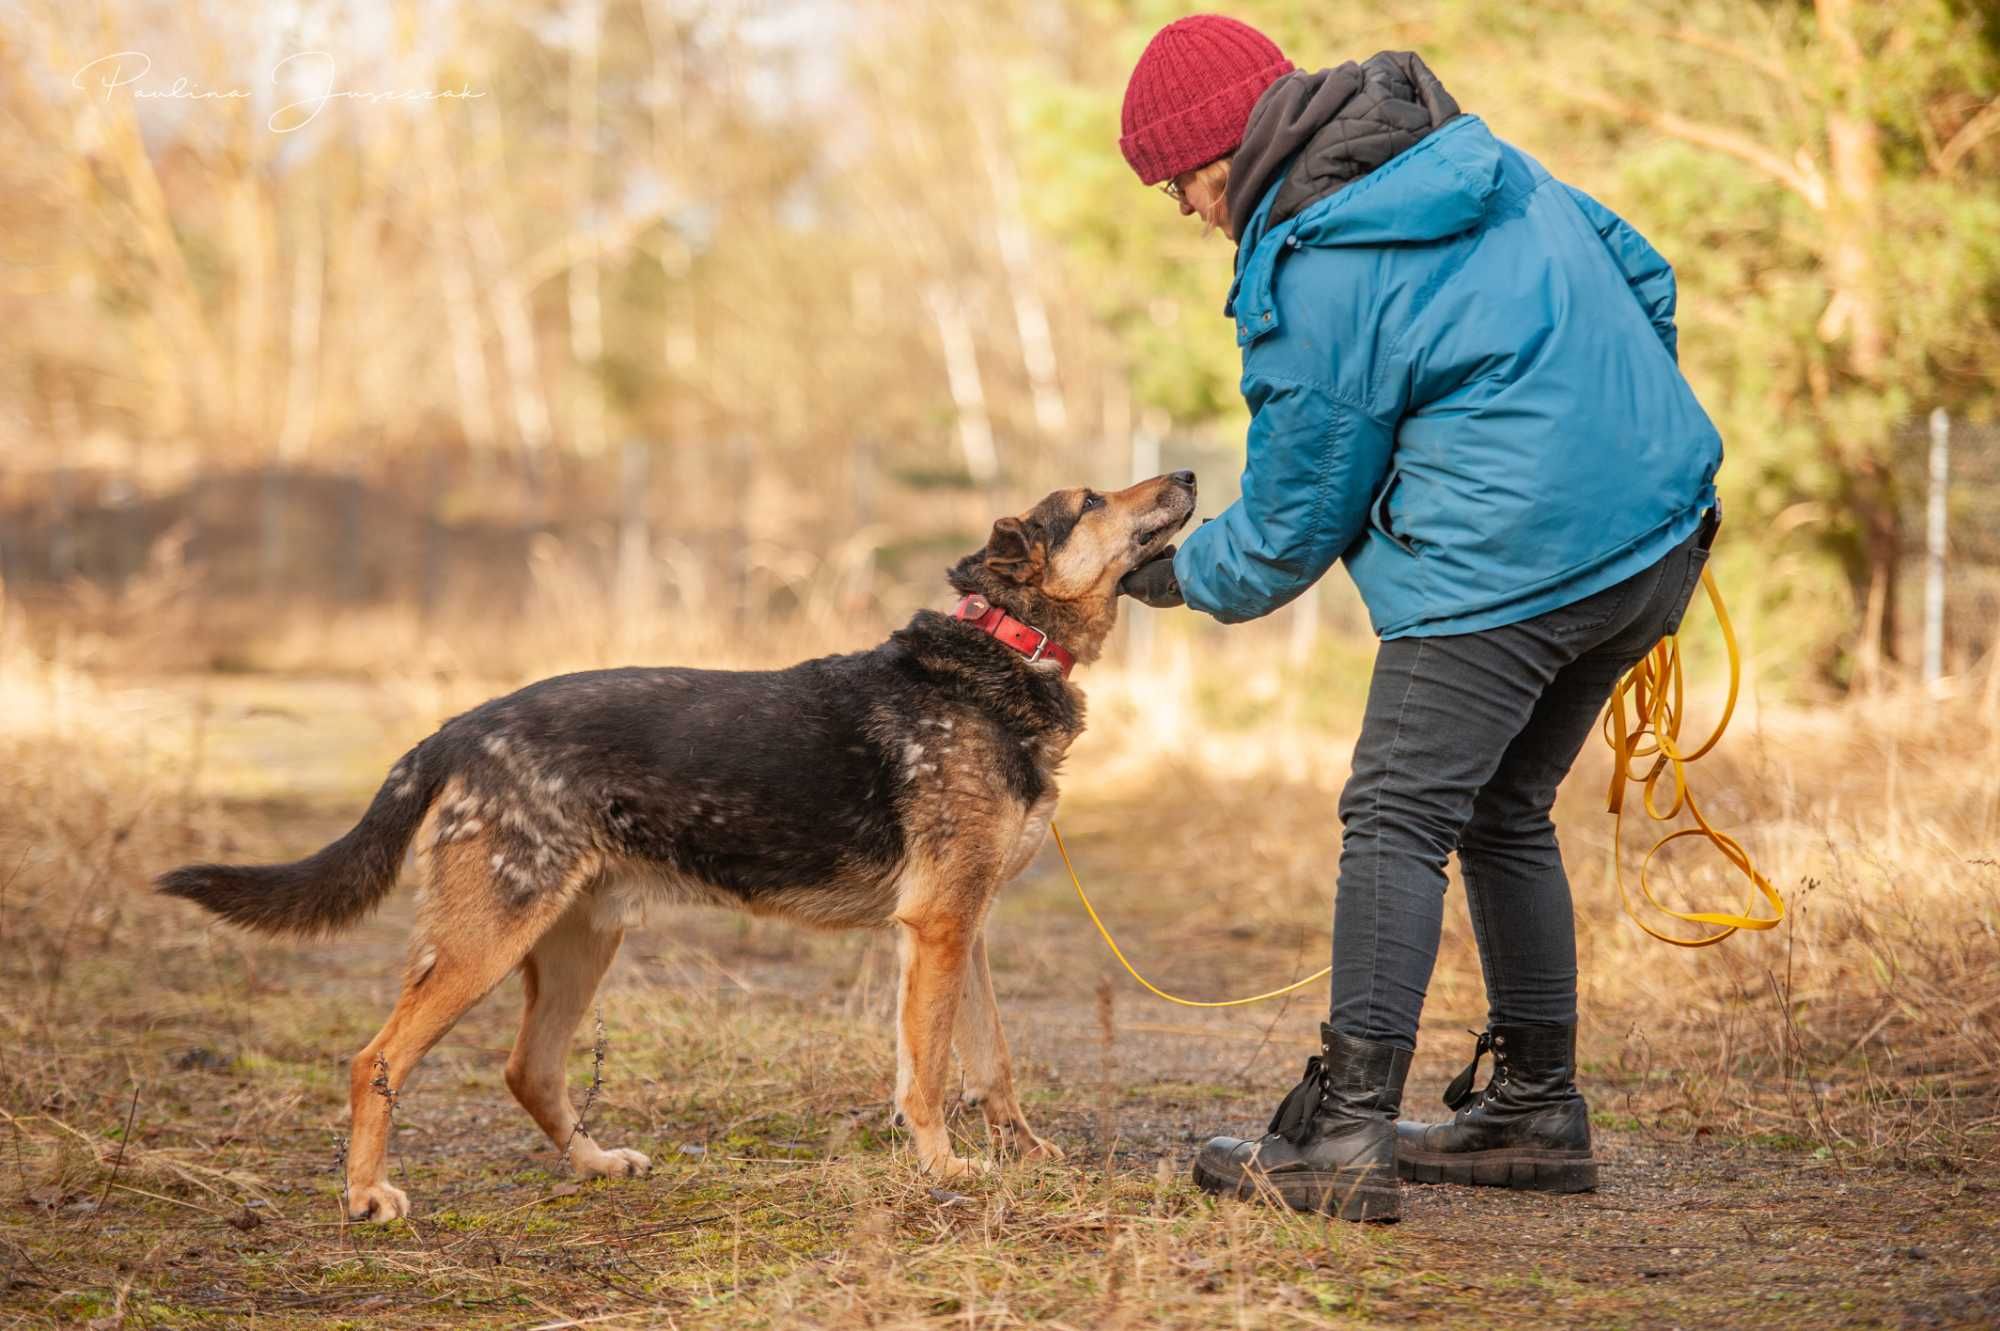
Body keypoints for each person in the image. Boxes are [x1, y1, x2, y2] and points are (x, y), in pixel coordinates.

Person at [1113, 14, 1721, 1223]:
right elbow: (1642, 272)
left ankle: (1343, 1136)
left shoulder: (1317, 255)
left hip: (1511, 568)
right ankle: (1534, 1109)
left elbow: (1292, 518)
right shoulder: (1470, 156)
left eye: (1176, 183)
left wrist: (1181, 577)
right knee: (1501, 806)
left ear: (1218, 150)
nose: (1184, 212)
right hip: (1658, 531)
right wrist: (1601, 448)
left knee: (1393, 814)